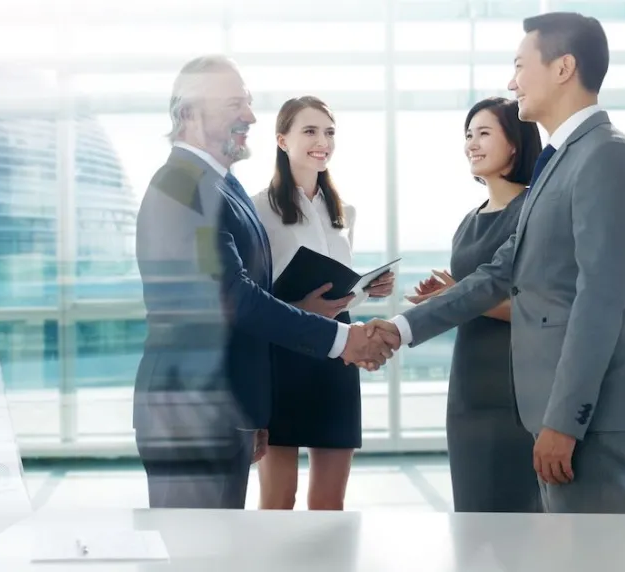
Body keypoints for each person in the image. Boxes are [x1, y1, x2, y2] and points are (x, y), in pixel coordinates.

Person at [366, 12, 625, 514]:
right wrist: (399, 328)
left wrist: (564, 422)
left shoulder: (607, 156)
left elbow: (600, 302)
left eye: (520, 66)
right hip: (553, 412)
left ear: (563, 68)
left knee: (593, 552)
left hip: (590, 419)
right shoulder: (559, 163)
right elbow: (496, 275)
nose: (512, 82)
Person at [132, 55, 397, 510]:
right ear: (190, 112)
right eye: (235, 104)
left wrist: (252, 410)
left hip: (225, 408)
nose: (251, 117)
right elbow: (231, 295)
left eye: (249, 102)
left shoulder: (223, 186)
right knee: (197, 544)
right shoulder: (181, 186)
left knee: (224, 542)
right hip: (191, 414)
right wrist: (341, 339)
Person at [252, 96, 394, 511]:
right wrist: (300, 306)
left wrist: (368, 289)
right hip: (284, 354)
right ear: (282, 140)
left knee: (330, 503)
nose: (323, 142)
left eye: (329, 132)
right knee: (279, 498)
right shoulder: (258, 208)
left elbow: (338, 290)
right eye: (310, 131)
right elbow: (250, 293)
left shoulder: (344, 211)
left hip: (336, 354)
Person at [406, 96, 543, 513]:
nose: (472, 144)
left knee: (517, 517)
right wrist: (448, 295)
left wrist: (458, 296)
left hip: (517, 387)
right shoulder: (470, 219)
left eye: (484, 133)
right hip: (468, 387)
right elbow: (469, 293)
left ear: (514, 144)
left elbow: (537, 309)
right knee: (471, 514)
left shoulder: (533, 210)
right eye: (468, 135)